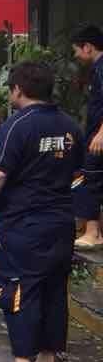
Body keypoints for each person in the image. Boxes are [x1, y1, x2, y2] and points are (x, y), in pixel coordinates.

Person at [0, 61, 83, 362]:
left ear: (18, 90)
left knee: (21, 291)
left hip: (24, 225)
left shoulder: (17, 126)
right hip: (61, 223)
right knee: (55, 291)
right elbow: (79, 173)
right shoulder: (71, 126)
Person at [70, 24, 103, 247]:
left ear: (88, 47)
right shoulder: (97, 69)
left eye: (77, 50)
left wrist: (101, 133)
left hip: (99, 137)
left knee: (90, 179)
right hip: (94, 134)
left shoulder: (102, 68)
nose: (75, 55)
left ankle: (93, 233)